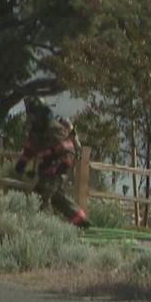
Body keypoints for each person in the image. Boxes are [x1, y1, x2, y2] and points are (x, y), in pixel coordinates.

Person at [16, 96, 89, 228]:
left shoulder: (54, 128)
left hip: (58, 167)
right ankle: (79, 220)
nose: (32, 118)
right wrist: (22, 163)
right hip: (46, 168)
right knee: (47, 196)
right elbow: (30, 148)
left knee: (47, 195)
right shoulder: (36, 130)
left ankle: (78, 222)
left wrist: (62, 166)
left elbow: (68, 150)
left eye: (34, 114)